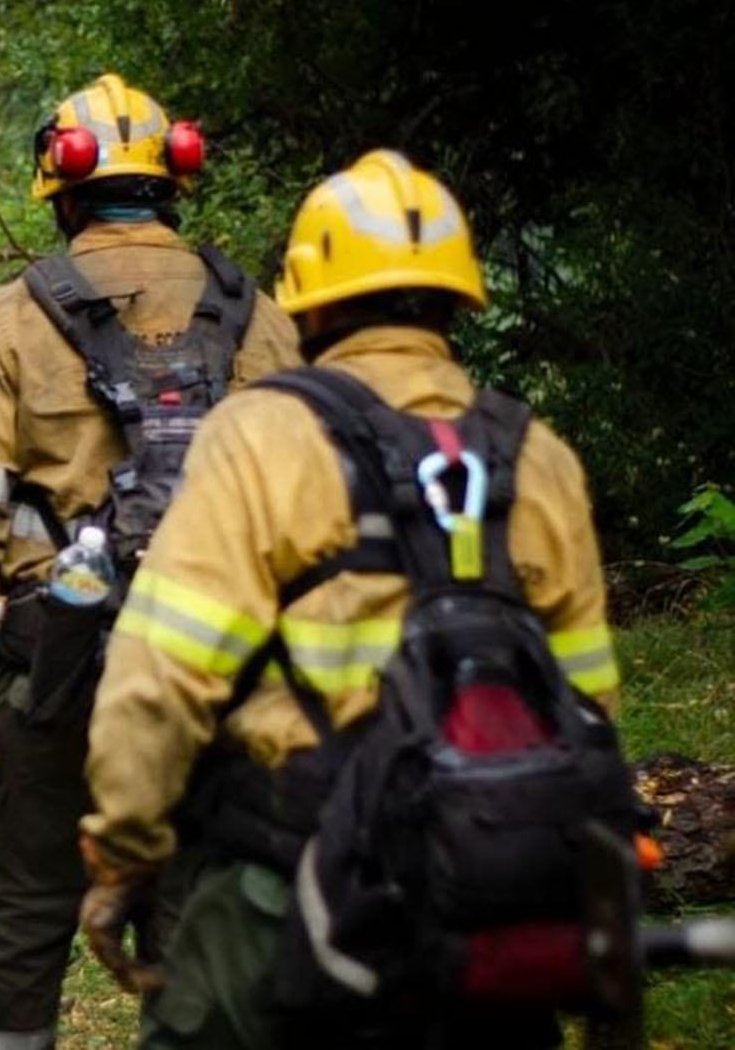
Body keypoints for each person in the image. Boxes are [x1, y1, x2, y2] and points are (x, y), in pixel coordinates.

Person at [77, 150, 625, 1048]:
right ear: (457, 299)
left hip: (290, 887)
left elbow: (162, 674)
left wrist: (124, 844)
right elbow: (589, 703)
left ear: (310, 303)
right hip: (488, 897)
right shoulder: (539, 455)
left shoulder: (263, 436)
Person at [0, 74, 301, 1050]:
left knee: (20, 911)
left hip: (58, 672)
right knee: (208, 905)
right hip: (227, 672)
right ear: (172, 184)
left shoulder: (8, 321)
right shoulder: (260, 317)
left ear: (63, 191)